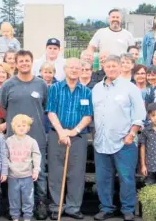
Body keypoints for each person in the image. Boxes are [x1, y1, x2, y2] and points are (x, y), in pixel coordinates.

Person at [91, 55, 145, 221]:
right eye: (108, 66)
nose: (111, 69)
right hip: (101, 142)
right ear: (104, 68)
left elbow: (139, 114)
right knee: (103, 179)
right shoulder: (96, 89)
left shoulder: (130, 88)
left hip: (124, 142)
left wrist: (131, 134)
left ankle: (127, 209)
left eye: (115, 66)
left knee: (126, 177)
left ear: (121, 68)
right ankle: (106, 208)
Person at [0, 50, 49, 219]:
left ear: (32, 62)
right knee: (12, 170)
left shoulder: (41, 84)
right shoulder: (8, 85)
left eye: (27, 60)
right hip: (14, 138)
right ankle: (12, 207)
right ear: (16, 63)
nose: (24, 63)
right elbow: (3, 107)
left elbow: (44, 105)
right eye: (21, 61)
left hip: (37, 136)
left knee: (38, 171)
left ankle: (40, 204)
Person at [46, 58, 93, 220]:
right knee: (56, 171)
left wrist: (74, 131)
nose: (74, 70)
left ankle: (73, 207)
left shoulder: (86, 92)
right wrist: (62, 132)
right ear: (65, 69)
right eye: (71, 67)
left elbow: (88, 116)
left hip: (78, 137)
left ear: (81, 70)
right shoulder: (55, 88)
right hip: (56, 135)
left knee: (77, 173)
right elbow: (50, 111)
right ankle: (56, 206)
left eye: (77, 68)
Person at [6, 114, 42, 221]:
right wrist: (8, 168)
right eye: (18, 126)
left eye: (24, 125)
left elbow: (36, 156)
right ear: (13, 127)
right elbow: (4, 157)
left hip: (27, 176)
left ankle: (27, 217)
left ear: (28, 127)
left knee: (28, 198)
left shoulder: (32, 141)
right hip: (13, 176)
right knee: (13, 198)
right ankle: (15, 217)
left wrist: (36, 170)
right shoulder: (8, 141)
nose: (21, 128)